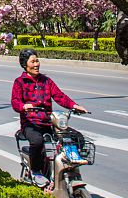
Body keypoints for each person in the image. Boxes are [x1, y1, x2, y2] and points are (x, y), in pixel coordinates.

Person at [11, 49, 87, 187]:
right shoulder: (20, 82)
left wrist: (74, 105)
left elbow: (59, 96)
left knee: (76, 138)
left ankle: (69, 166)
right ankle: (36, 171)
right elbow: (15, 102)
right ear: (25, 64)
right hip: (31, 123)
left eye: (37, 60)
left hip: (48, 121)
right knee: (37, 141)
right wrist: (23, 106)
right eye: (33, 61)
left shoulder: (46, 81)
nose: (36, 64)